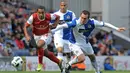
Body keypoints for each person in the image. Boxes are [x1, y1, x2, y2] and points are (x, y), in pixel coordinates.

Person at [52, 10, 126, 73]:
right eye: (82, 18)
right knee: (82, 58)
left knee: (92, 57)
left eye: (85, 18)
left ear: (88, 18)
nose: (82, 20)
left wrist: (117, 28)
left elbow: (105, 24)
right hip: (74, 43)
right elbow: (62, 26)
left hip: (85, 43)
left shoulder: (93, 22)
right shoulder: (75, 22)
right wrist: (52, 30)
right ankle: (68, 64)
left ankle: (97, 71)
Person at [23, 6, 64, 72]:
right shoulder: (33, 17)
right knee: (46, 53)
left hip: (47, 34)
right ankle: (59, 62)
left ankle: (40, 64)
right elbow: (25, 26)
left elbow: (58, 17)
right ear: (37, 12)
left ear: (45, 12)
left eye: (42, 12)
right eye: (39, 13)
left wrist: (55, 24)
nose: (41, 14)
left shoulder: (49, 16)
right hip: (36, 36)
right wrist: (27, 36)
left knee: (39, 45)